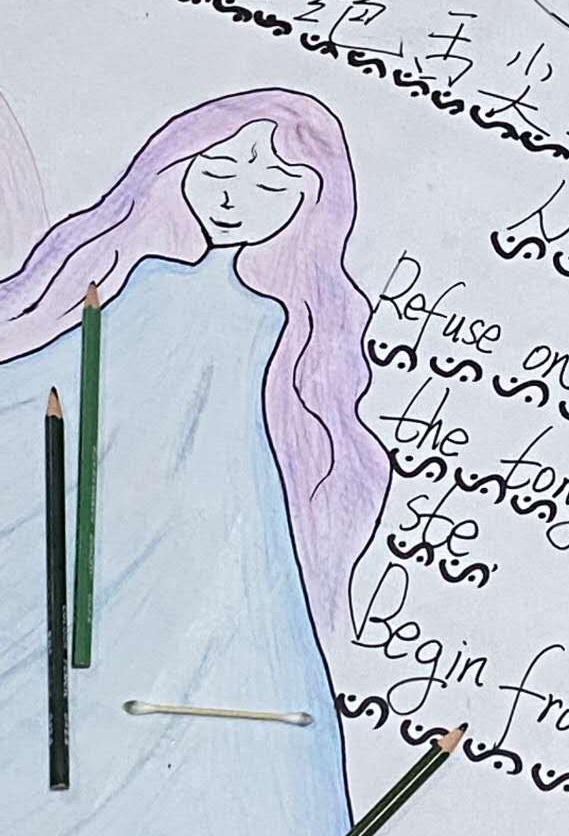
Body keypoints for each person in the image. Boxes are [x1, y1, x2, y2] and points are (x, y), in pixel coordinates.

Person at [0, 87, 390, 834]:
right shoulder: (132, 279)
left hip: (207, 556)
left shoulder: (271, 322)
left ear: (310, 207)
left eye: (273, 184)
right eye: (218, 169)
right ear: (175, 167)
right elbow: (45, 381)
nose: (236, 196)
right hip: (87, 518)